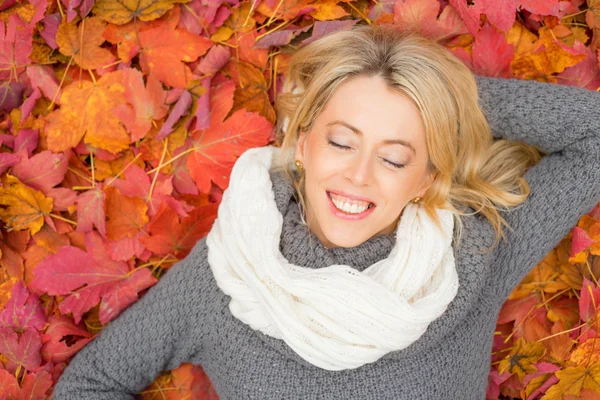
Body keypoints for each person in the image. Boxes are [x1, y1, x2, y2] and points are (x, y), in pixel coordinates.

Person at [52, 25, 600, 399]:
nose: (358, 176)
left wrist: (440, 98)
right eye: (341, 142)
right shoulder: (227, 276)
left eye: (393, 156)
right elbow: (91, 383)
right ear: (303, 142)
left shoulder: (473, 255)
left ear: (426, 178)